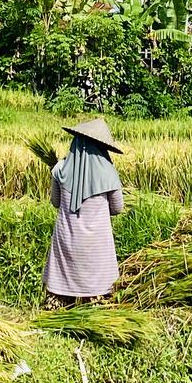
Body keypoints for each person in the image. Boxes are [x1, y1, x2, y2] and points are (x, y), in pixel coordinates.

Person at [43, 118, 124, 305]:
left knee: (61, 292)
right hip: (97, 246)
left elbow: (55, 202)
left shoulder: (60, 169)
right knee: (99, 292)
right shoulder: (109, 173)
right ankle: (95, 306)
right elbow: (117, 208)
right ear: (101, 147)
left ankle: (60, 308)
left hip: (67, 240)